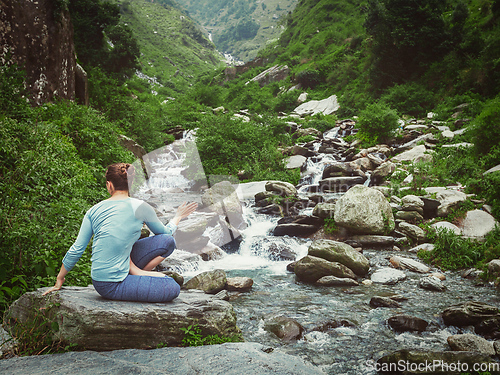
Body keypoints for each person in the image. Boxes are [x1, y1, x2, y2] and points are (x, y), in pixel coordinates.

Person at [43, 163, 197, 302]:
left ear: (109, 185)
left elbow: (77, 249)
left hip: (107, 275)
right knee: (172, 286)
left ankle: (135, 273)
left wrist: (60, 278)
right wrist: (178, 216)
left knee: (167, 242)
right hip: (110, 284)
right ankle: (136, 274)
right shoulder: (141, 207)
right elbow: (166, 231)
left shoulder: (93, 210)